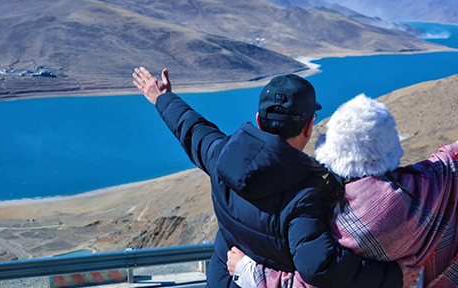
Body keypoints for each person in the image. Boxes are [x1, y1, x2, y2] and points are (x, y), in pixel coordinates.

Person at [226, 76, 458, 288]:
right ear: (389, 146)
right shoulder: (420, 191)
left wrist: (247, 271)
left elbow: (307, 282)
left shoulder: (319, 209)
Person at [132, 68, 417, 288]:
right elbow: (318, 265)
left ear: (258, 120)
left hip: (222, 278)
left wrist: (162, 97)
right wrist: (390, 278)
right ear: (308, 127)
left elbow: (191, 128)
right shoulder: (308, 190)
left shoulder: (220, 154)